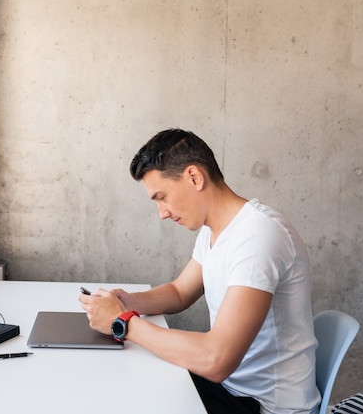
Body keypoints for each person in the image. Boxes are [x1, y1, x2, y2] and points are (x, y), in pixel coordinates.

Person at [79, 129, 321, 414]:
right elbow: (180, 292)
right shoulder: (214, 232)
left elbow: (216, 360)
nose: (162, 213)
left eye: (162, 197)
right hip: (231, 390)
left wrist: (123, 323)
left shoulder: (259, 236)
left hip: (263, 406)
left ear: (194, 177)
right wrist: (128, 302)